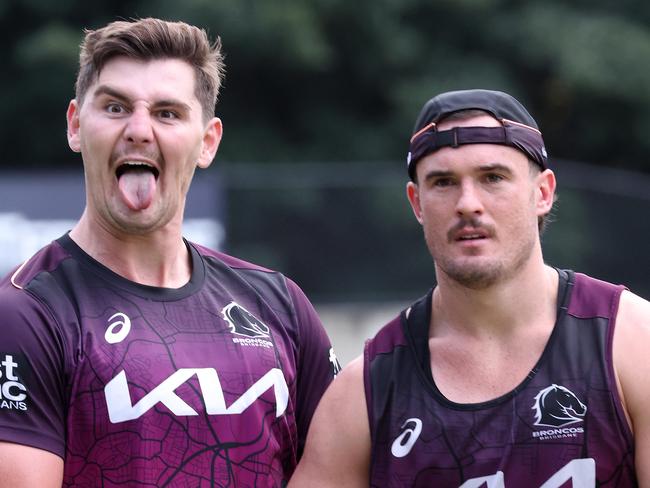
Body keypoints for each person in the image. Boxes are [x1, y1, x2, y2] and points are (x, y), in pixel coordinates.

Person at [0, 18, 339, 487]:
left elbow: (344, 468)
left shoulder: (278, 304)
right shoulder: (25, 313)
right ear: (76, 125)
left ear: (207, 141)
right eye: (116, 107)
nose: (139, 130)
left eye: (167, 113)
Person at [289, 89, 650, 487]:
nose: (468, 203)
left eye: (493, 177)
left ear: (542, 193)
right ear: (417, 204)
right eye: (443, 182)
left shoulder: (631, 342)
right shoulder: (364, 394)